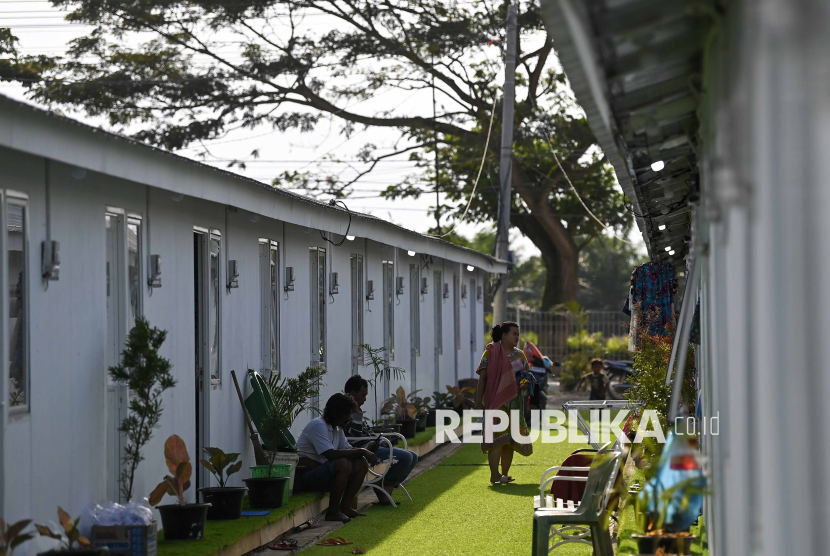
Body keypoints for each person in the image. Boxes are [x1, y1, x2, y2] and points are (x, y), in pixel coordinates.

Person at [294, 393, 379, 522]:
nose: (349, 418)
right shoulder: (318, 425)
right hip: (304, 476)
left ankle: (345, 507)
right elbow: (330, 454)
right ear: (335, 412)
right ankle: (332, 512)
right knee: (342, 464)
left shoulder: (337, 429)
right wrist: (362, 451)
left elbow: (349, 451)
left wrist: (366, 450)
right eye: (347, 414)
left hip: (321, 472)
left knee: (361, 463)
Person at [344, 374, 419, 505]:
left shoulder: (356, 410)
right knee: (407, 457)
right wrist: (356, 411)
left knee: (413, 456)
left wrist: (382, 441)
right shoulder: (344, 411)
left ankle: (384, 484)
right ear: (352, 394)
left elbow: (367, 432)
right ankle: (384, 487)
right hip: (363, 450)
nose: (365, 399)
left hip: (373, 446)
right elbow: (354, 435)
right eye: (363, 395)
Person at [474, 321, 533, 485]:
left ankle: (504, 474)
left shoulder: (520, 355)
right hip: (496, 401)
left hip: (516, 403)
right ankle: (494, 475)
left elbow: (526, 375)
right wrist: (479, 401)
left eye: (518, 334)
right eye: (514, 334)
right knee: (496, 439)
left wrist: (525, 383)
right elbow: (483, 378)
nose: (517, 337)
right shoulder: (491, 352)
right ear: (504, 335)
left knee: (510, 441)